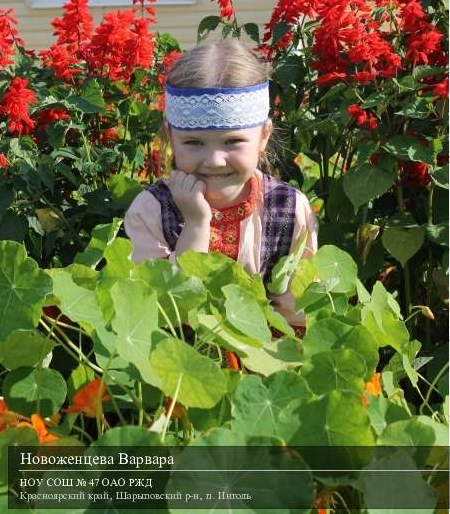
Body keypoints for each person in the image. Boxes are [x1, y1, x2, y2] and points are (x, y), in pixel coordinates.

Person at [124, 38, 318, 331]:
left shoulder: (290, 207)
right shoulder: (150, 211)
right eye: (194, 142)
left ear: (264, 136)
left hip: (269, 359)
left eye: (233, 142)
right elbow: (164, 309)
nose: (214, 160)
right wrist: (196, 224)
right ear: (170, 136)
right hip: (177, 361)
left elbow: (300, 311)